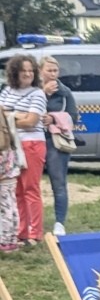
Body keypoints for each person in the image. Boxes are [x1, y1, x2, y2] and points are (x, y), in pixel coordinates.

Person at [0, 55, 47, 246]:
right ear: (15, 72)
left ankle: (35, 233)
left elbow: (31, 122)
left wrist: (9, 116)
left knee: (30, 189)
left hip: (32, 144)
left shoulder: (37, 93)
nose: (28, 74)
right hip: (12, 145)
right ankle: (20, 231)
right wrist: (17, 115)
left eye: (31, 70)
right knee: (16, 190)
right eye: (24, 70)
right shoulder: (6, 90)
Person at [39, 56, 76, 238]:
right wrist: (43, 93)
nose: (53, 74)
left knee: (58, 182)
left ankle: (60, 222)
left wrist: (54, 118)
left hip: (56, 141)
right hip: (34, 140)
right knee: (29, 185)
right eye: (49, 70)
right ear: (40, 72)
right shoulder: (33, 91)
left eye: (55, 71)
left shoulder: (65, 92)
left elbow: (73, 117)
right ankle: (32, 222)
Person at [0, 110, 19, 253]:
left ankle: (5, 240)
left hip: (3, 177)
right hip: (11, 175)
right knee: (11, 207)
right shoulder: (8, 136)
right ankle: (12, 238)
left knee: (4, 210)